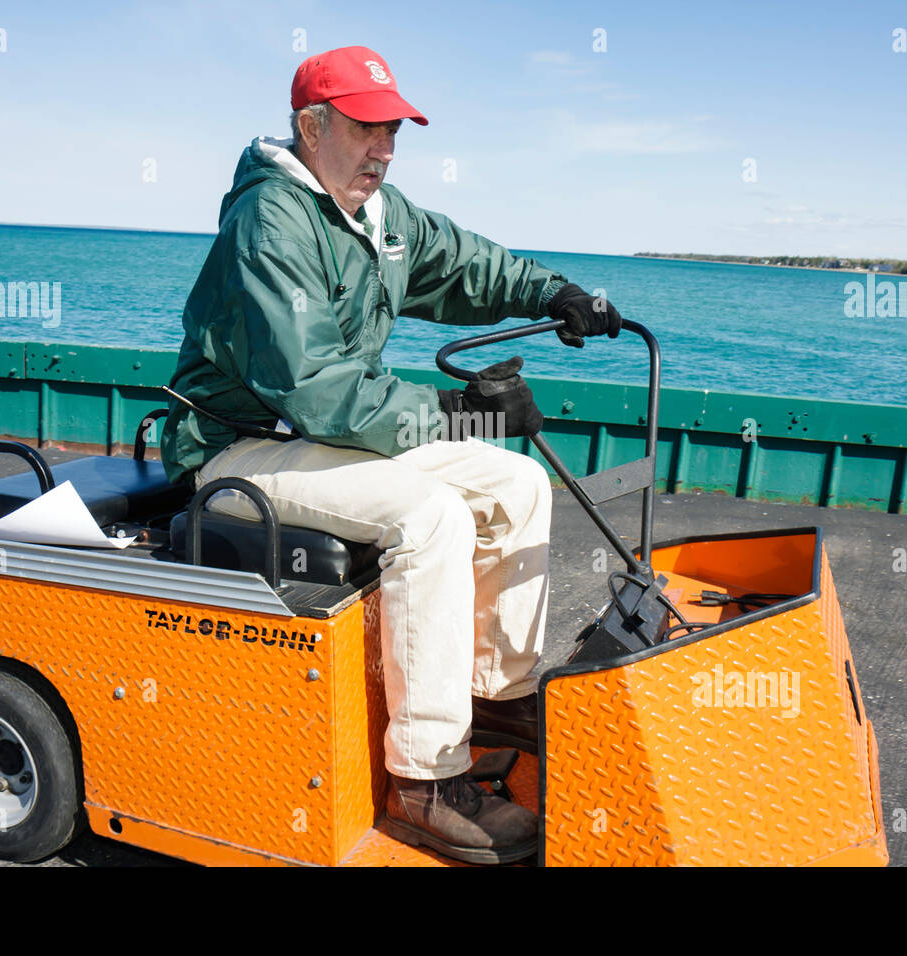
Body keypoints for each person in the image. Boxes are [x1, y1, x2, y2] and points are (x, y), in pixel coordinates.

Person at [160, 45, 620, 864]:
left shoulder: (377, 211)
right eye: (368, 129)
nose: (385, 149)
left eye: (394, 131)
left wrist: (554, 292)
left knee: (515, 482)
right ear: (311, 125)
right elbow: (312, 386)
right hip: (238, 447)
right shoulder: (268, 220)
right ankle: (425, 780)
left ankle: (495, 696)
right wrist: (455, 410)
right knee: (431, 516)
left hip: (326, 438)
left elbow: (464, 263)